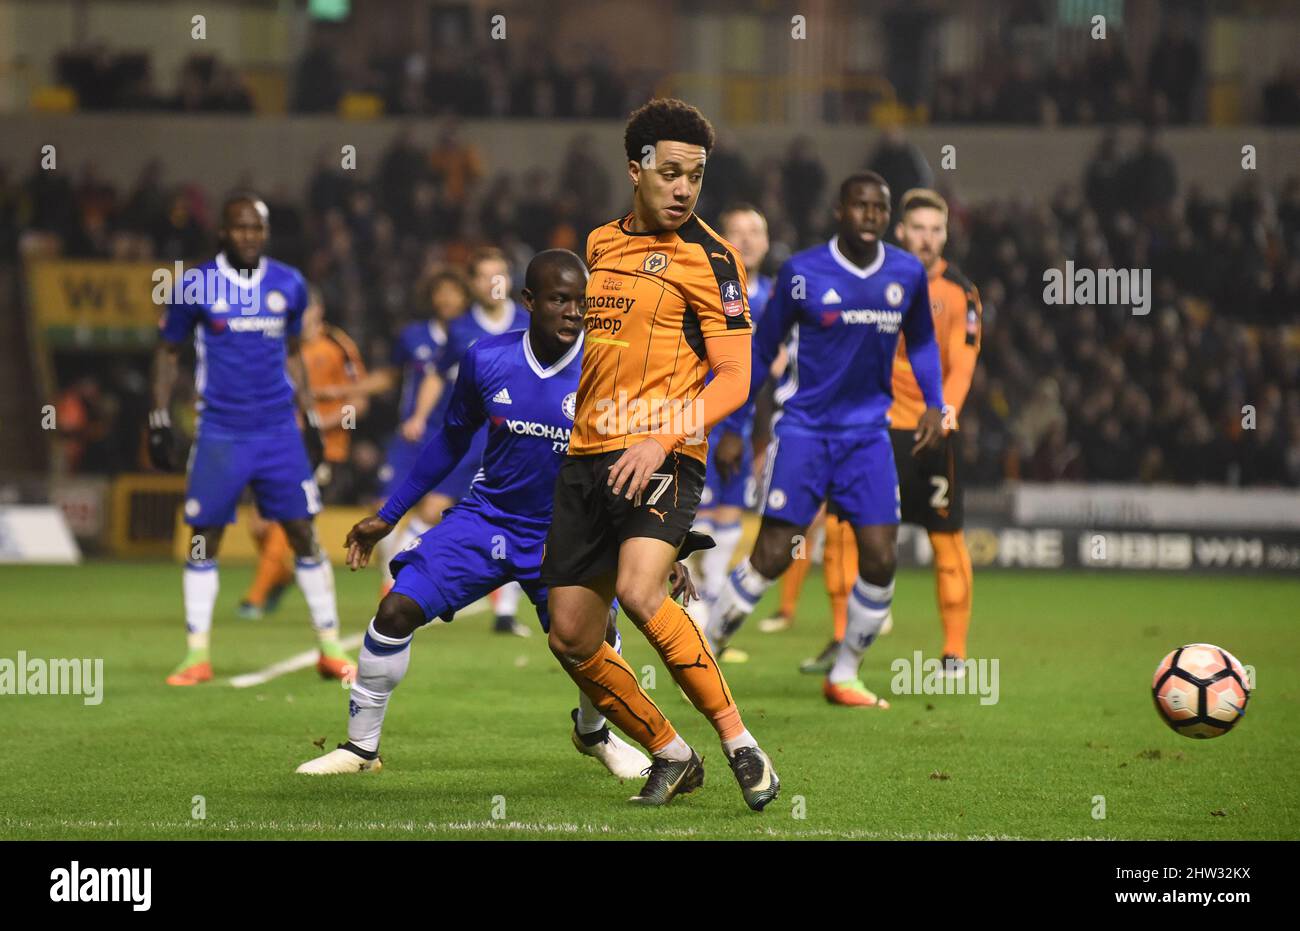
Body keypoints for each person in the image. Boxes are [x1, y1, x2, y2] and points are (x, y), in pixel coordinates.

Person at [295, 250, 680, 780]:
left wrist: (658, 541)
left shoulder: (606, 369)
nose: (573, 312)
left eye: (582, 303)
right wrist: (389, 513)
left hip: (564, 533)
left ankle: (593, 734)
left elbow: (637, 458)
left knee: (596, 639)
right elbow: (450, 440)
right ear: (528, 302)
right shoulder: (486, 358)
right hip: (488, 517)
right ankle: (361, 751)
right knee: (395, 610)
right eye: (559, 300)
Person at [539, 98, 780, 810]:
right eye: (670, 172)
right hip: (589, 459)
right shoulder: (599, 244)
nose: (683, 188)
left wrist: (661, 433)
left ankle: (742, 744)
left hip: (667, 451)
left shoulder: (713, 259)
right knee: (570, 636)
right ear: (635, 171)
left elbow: (737, 375)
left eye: (696, 176)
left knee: (642, 593)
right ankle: (673, 753)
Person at [707, 172, 946, 708]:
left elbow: (924, 342)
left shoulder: (906, 273)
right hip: (805, 433)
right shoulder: (801, 273)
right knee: (770, 554)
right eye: (859, 206)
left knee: (881, 557)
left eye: (879, 208)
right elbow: (759, 356)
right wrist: (732, 429)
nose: (869, 215)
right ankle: (707, 648)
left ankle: (844, 674)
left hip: (867, 438)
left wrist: (935, 402)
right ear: (840, 210)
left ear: (887, 217)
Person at [148, 193, 354, 686]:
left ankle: (328, 646)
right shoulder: (194, 285)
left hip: (279, 430)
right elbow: (168, 352)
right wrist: (158, 416)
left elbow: (294, 354)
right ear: (223, 230)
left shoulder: (289, 282)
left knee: (304, 531)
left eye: (256, 228)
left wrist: (308, 417)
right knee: (205, 538)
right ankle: (196, 653)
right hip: (219, 430)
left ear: (265, 233)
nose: (248, 236)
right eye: (239, 227)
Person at [799, 189, 983, 677]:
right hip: (868, 430)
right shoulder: (872, 281)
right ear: (901, 231)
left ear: (946, 235)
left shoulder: (959, 292)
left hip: (930, 432)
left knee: (946, 540)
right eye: (918, 228)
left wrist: (943, 414)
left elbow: (962, 368)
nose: (927, 238)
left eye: (936, 230)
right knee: (840, 536)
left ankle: (955, 655)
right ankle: (841, 640)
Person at [239, 287, 369, 620]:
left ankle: (255, 597)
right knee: (258, 524)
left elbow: (359, 402)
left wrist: (319, 423)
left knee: (286, 519)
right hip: (279, 443)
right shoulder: (277, 345)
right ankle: (281, 575)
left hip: (323, 451)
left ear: (318, 310)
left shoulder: (338, 346)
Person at [686, 203, 774, 661]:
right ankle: (697, 619)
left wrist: (759, 436)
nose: (746, 239)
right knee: (696, 518)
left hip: (749, 423)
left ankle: (709, 618)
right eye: (735, 231)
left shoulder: (778, 296)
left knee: (730, 515)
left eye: (755, 230)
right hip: (705, 420)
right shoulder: (711, 288)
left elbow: (769, 376)